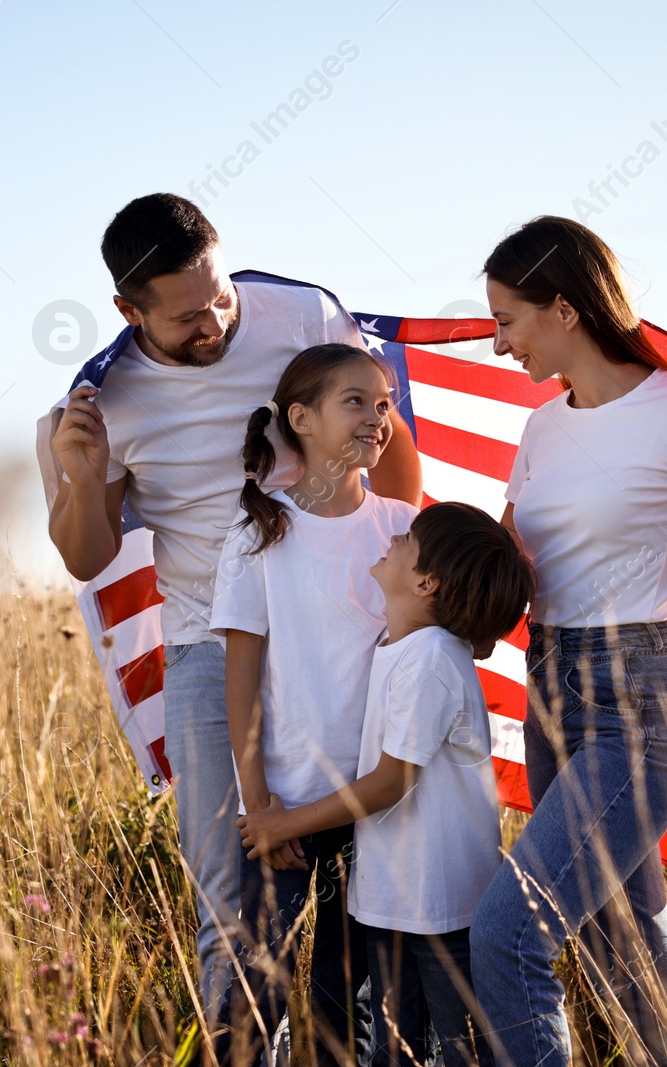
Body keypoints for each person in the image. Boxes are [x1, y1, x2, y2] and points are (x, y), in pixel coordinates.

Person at [45, 193, 422, 1037]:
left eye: (219, 297)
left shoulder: (303, 311)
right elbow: (85, 555)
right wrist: (81, 474)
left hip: (341, 640)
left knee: (369, 902)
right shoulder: (103, 402)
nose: (215, 323)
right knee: (239, 918)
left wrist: (393, 604)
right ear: (126, 310)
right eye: (187, 317)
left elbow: (389, 454)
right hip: (208, 658)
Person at [468, 215, 667, 1066]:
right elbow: (503, 575)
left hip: (640, 709)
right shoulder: (543, 429)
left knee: (509, 934)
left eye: (508, 320)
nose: (501, 344)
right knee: (631, 961)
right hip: (552, 695)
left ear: (565, 310)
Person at [239, 502, 534, 1067]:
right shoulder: (397, 647)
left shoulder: (431, 659)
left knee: (455, 1049)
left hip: (440, 909)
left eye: (411, 538)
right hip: (396, 904)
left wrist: (284, 822)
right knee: (396, 1051)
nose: (395, 535)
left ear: (426, 582)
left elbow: (388, 783)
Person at [209, 342, 420, 1064]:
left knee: (352, 998)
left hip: (378, 808)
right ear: (300, 417)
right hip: (284, 809)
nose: (376, 416)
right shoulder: (259, 533)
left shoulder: (401, 528)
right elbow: (241, 680)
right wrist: (261, 805)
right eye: (355, 401)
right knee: (253, 994)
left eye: (385, 402)